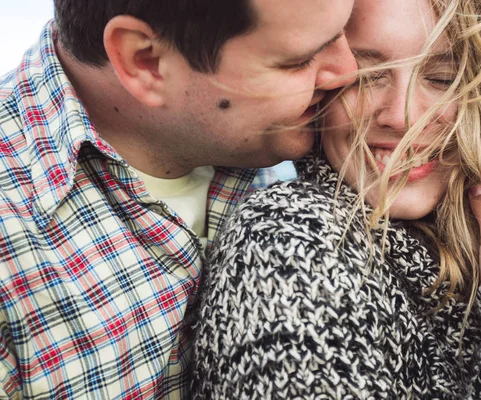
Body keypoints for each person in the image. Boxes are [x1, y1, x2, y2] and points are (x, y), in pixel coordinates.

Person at [191, 0, 481, 398]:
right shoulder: (288, 244)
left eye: (443, 78)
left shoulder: (455, 253)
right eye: (367, 75)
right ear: (321, 86)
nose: (403, 116)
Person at [0, 0, 358, 398]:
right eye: (300, 59)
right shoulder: (12, 241)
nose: (349, 70)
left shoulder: (341, 135)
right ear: (146, 61)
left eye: (346, 29)